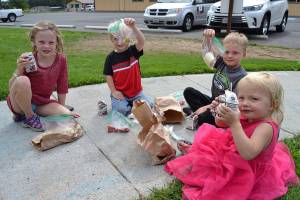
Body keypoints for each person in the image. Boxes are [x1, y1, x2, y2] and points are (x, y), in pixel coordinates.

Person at [165, 72, 299, 199]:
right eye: (241, 98)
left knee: (221, 187)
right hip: (232, 151)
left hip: (249, 169)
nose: (245, 103)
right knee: (204, 156)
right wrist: (219, 111)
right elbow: (221, 124)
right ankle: (192, 150)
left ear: (272, 105)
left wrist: (235, 123)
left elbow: (248, 153)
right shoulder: (246, 113)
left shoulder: (266, 127)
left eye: (254, 99)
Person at [6, 21, 79, 132]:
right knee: (22, 80)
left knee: (68, 115)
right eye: (41, 42)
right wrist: (19, 69)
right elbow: (12, 87)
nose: (46, 46)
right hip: (19, 103)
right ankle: (28, 117)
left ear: (56, 43)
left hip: (41, 103)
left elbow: (62, 85)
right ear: (34, 42)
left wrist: (62, 106)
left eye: (51, 42)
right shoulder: (28, 59)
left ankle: (30, 114)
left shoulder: (61, 60)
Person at [183, 29, 248, 129]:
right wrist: (207, 38)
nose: (230, 56)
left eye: (235, 53)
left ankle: (197, 115)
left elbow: (233, 105)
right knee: (189, 92)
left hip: (224, 110)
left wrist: (206, 108)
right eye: (226, 52)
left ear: (243, 54)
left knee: (203, 118)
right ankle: (197, 113)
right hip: (213, 102)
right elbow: (206, 53)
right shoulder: (222, 62)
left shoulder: (242, 78)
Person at [103, 18, 152, 116]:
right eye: (115, 39)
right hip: (121, 94)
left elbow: (142, 41)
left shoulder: (133, 51)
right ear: (111, 39)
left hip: (136, 93)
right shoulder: (110, 58)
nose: (119, 42)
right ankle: (129, 107)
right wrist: (114, 91)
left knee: (150, 106)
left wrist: (133, 27)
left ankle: (132, 107)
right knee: (121, 110)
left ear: (128, 38)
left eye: (122, 38)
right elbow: (108, 76)